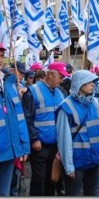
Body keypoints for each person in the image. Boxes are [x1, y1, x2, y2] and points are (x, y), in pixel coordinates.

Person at [55, 70, 99, 196]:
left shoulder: (95, 103)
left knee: (93, 194)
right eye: (89, 82)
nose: (93, 84)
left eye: (93, 82)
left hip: (95, 160)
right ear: (79, 84)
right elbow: (64, 139)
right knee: (73, 194)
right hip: (77, 162)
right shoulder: (66, 106)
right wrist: (69, 166)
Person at [22, 62, 67, 195]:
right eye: (60, 77)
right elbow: (27, 118)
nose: (62, 80)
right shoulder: (33, 91)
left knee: (51, 180)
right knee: (39, 180)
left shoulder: (59, 93)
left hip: (55, 145)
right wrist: (34, 139)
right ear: (51, 74)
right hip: (40, 145)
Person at [0, 56, 30, 196]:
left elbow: (19, 119)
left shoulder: (10, 85)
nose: (0, 58)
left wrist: (23, 146)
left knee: (5, 193)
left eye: (1, 55)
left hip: (8, 152)